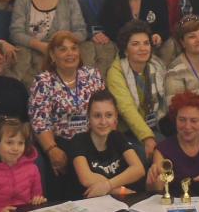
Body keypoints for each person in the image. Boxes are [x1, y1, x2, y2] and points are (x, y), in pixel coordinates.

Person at [28, 31, 106, 198]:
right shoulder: (44, 81)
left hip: (93, 138)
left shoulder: (92, 75)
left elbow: (106, 108)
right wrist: (52, 149)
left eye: (74, 48)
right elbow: (40, 121)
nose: (70, 53)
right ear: (52, 55)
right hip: (60, 142)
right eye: (63, 49)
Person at [108, 20, 167, 167]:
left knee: (171, 150)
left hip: (155, 124)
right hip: (127, 131)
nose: (142, 48)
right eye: (135, 44)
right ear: (125, 49)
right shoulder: (116, 72)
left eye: (146, 43)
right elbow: (127, 109)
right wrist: (147, 137)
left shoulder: (157, 66)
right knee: (145, 157)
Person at [70, 90, 146, 197]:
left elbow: (138, 169)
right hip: (88, 203)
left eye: (109, 115)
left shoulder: (117, 137)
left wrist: (108, 185)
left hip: (117, 202)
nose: (103, 122)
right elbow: (86, 179)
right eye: (97, 116)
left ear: (115, 117)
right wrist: (118, 190)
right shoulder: (79, 140)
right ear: (88, 118)